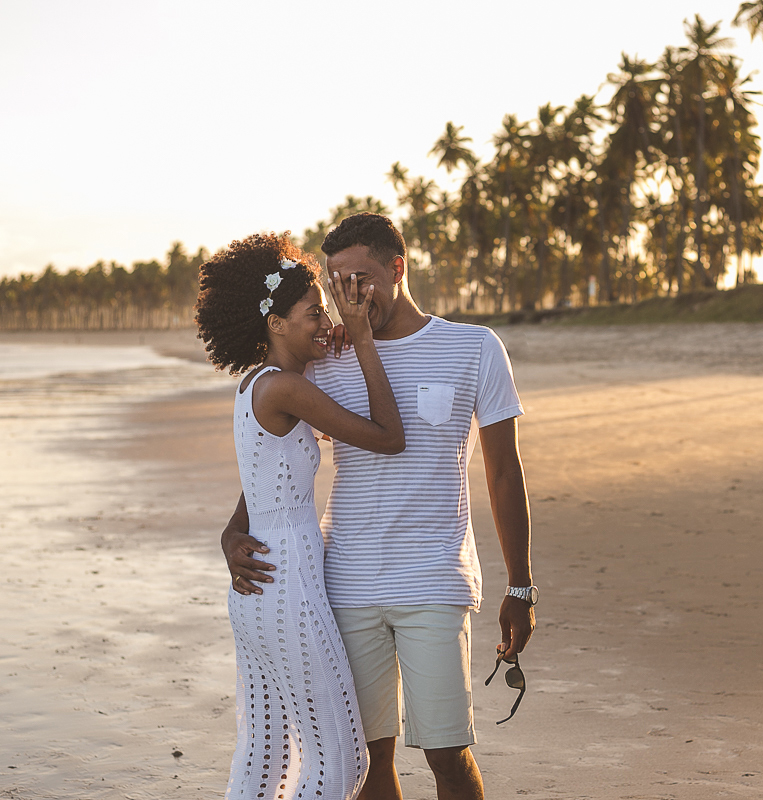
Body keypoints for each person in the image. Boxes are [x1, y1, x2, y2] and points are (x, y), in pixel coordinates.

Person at [221, 213, 536, 800]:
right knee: (367, 759)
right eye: (337, 284)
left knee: (447, 753)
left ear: (397, 268)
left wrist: (520, 586)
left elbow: (503, 472)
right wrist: (236, 529)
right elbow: (274, 455)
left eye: (360, 279)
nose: (349, 298)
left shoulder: (474, 347)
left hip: (434, 580)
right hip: (343, 586)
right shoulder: (324, 357)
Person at [194, 231, 407, 800]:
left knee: (266, 757)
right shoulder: (286, 389)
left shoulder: (258, 385)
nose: (326, 321)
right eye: (314, 313)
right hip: (287, 586)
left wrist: (230, 533)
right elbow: (389, 436)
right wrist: (363, 340)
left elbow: (261, 485)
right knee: (344, 763)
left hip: (260, 590)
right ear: (275, 324)